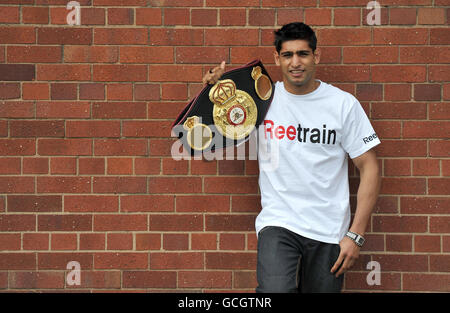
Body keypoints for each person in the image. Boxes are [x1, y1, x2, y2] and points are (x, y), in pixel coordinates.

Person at [202, 22, 381, 293]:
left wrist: (355, 235)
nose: (295, 62)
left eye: (303, 54)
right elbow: (209, 141)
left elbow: (369, 167)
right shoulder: (261, 101)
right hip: (279, 222)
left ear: (315, 56)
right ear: (277, 58)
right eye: (287, 55)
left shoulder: (342, 104)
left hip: (329, 229)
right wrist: (211, 95)